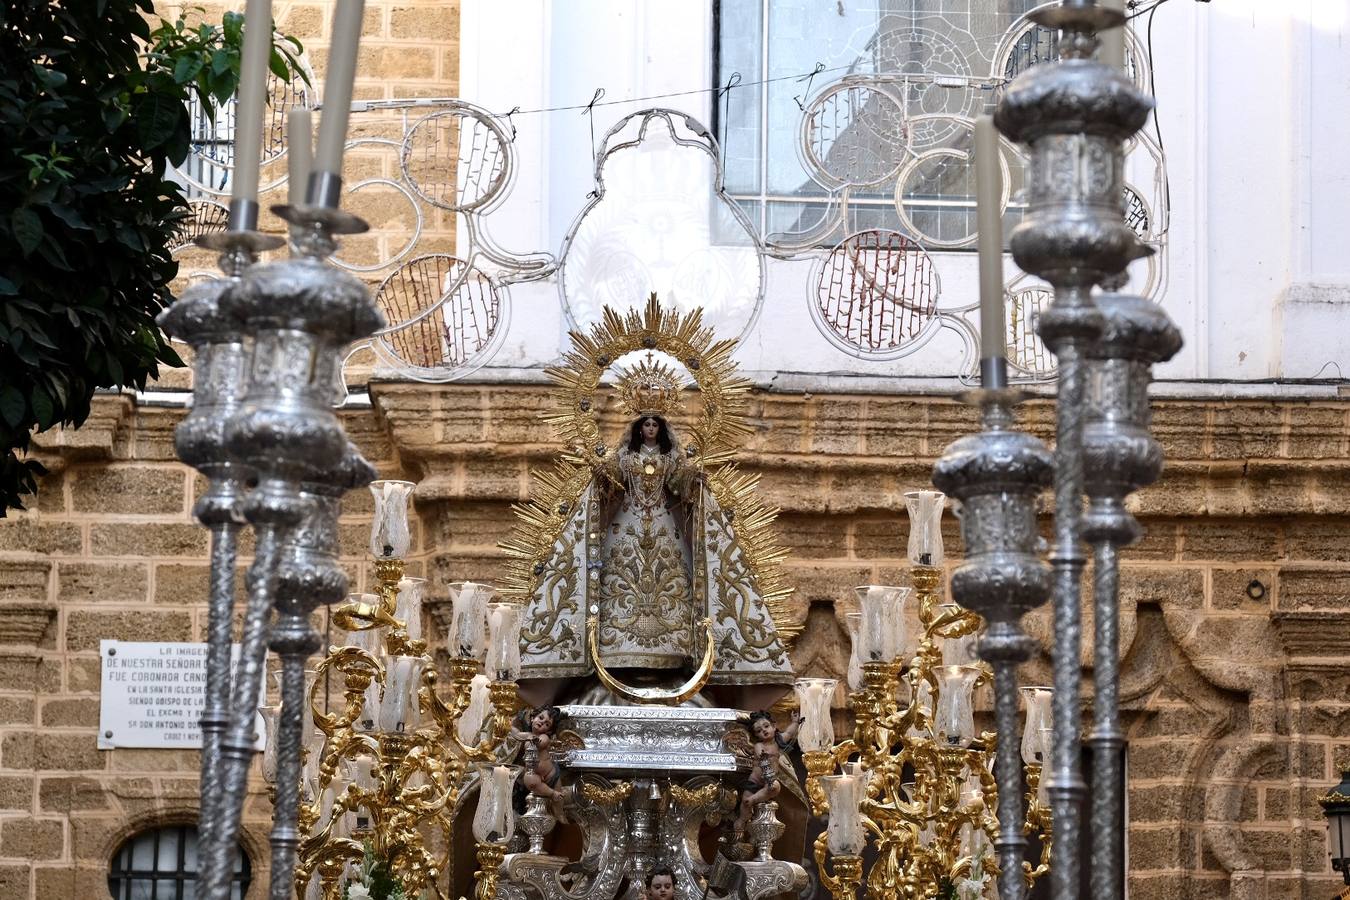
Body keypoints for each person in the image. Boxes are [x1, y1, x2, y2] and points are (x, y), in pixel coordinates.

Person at [593, 414, 699, 669]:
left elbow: (678, 483)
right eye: (646, 425)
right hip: (628, 521)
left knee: (670, 575)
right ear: (639, 429)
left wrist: (693, 478)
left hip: (663, 521)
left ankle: (672, 647)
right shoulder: (626, 456)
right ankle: (617, 645)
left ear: (660, 429)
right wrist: (603, 474)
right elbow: (614, 479)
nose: (651, 429)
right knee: (621, 574)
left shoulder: (669, 457)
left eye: (655, 425)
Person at [735, 709, 802, 834]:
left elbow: (789, 732)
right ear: (756, 736)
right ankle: (742, 820)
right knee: (744, 802)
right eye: (759, 731)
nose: (764, 731)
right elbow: (760, 754)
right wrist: (763, 755)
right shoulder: (759, 746)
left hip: (769, 779)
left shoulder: (778, 741)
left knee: (775, 787)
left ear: (774, 726)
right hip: (755, 779)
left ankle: (754, 799)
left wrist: (795, 722)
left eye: (766, 726)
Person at [510, 705, 563, 799]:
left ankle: (555, 795)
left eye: (547, 724)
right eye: (541, 718)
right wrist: (508, 726)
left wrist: (535, 740)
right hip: (534, 774)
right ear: (532, 718)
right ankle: (551, 793)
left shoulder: (544, 737)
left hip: (550, 774)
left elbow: (541, 743)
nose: (542, 722)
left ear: (548, 731)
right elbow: (517, 734)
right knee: (529, 780)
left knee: (558, 802)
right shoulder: (528, 735)